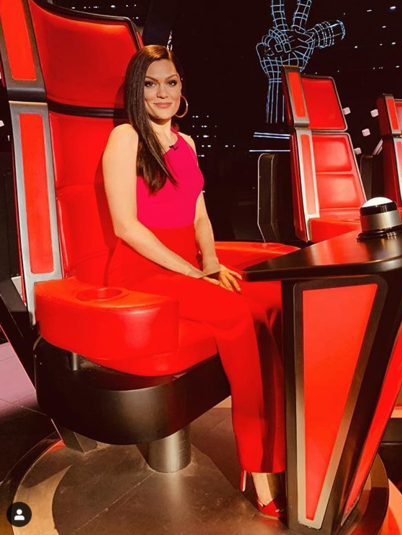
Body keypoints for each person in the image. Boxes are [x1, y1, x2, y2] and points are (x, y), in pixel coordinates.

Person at [102, 45, 285, 517]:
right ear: (136, 90)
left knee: (270, 303)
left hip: (187, 267)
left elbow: (200, 215)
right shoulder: (125, 137)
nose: (162, 92)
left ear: (182, 87)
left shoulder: (186, 143)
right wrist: (192, 273)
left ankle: (279, 438)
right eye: (150, 83)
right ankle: (262, 470)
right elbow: (126, 226)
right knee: (238, 314)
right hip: (144, 271)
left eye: (171, 82)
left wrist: (211, 262)